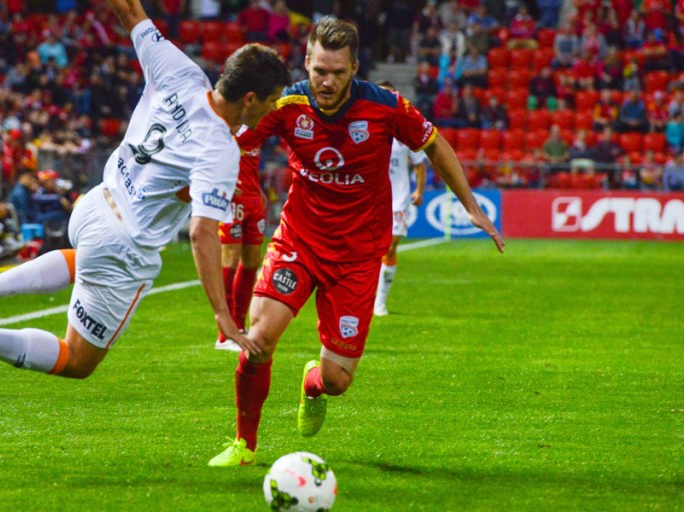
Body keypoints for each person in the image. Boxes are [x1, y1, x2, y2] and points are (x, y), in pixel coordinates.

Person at [0, 0, 291, 383]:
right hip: (124, 247)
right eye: (271, 100)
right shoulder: (220, 150)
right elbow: (202, 232)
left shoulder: (181, 73)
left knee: (81, 259)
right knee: (77, 360)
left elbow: (130, 11)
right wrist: (223, 315)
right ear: (250, 98)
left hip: (94, 205)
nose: (273, 109)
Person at [208, 17, 504, 467]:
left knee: (337, 380)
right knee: (260, 340)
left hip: (359, 256)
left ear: (355, 69)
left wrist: (469, 204)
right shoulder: (285, 103)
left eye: (338, 73)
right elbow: (234, 133)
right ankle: (244, 444)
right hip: (298, 241)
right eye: (319, 71)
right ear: (306, 62)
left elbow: (435, 144)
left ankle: (312, 382)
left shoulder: (386, 107)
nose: (326, 82)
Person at [373, 82, 428, 317]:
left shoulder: (403, 128)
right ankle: (365, 296)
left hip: (398, 198)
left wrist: (419, 191)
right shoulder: (366, 127)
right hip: (370, 198)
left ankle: (380, 302)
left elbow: (419, 165)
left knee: (389, 247)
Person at [214, 126, 267, 352]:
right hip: (231, 200)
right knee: (230, 261)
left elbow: (250, 164)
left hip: (254, 198)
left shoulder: (258, 127)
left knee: (252, 262)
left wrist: (259, 190)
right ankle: (225, 336)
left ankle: (240, 327)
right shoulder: (229, 126)